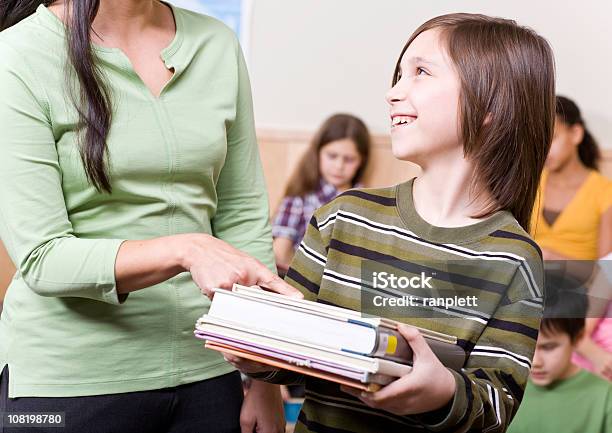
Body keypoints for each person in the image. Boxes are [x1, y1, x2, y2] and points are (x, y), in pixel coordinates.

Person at [227, 13, 552, 433]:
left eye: (420, 72)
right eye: (399, 74)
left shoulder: (514, 258)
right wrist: (260, 357)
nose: (393, 92)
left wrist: (444, 395)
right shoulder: (342, 216)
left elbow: (497, 405)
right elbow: (293, 360)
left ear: (491, 103)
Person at [0, 1, 300, 432]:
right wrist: (187, 248)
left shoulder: (215, 44)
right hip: (68, 383)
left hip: (208, 373)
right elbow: (43, 258)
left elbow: (242, 215)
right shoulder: (18, 55)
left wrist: (262, 377)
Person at [508, 273, 612, 433]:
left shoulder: (605, 398)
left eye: (548, 347)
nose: (535, 362)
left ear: (577, 338)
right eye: (526, 346)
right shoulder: (498, 388)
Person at [272, 113, 370, 271]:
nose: (339, 165)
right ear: (318, 152)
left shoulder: (367, 202)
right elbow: (280, 253)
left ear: (361, 161)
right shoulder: (300, 197)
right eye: (332, 156)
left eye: (349, 159)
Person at [531, 95, 612, 261]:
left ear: (576, 134)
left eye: (552, 138)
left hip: (581, 285)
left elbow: (606, 272)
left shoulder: (605, 193)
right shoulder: (530, 185)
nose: (544, 149)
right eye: (539, 140)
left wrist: (550, 257)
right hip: (528, 282)